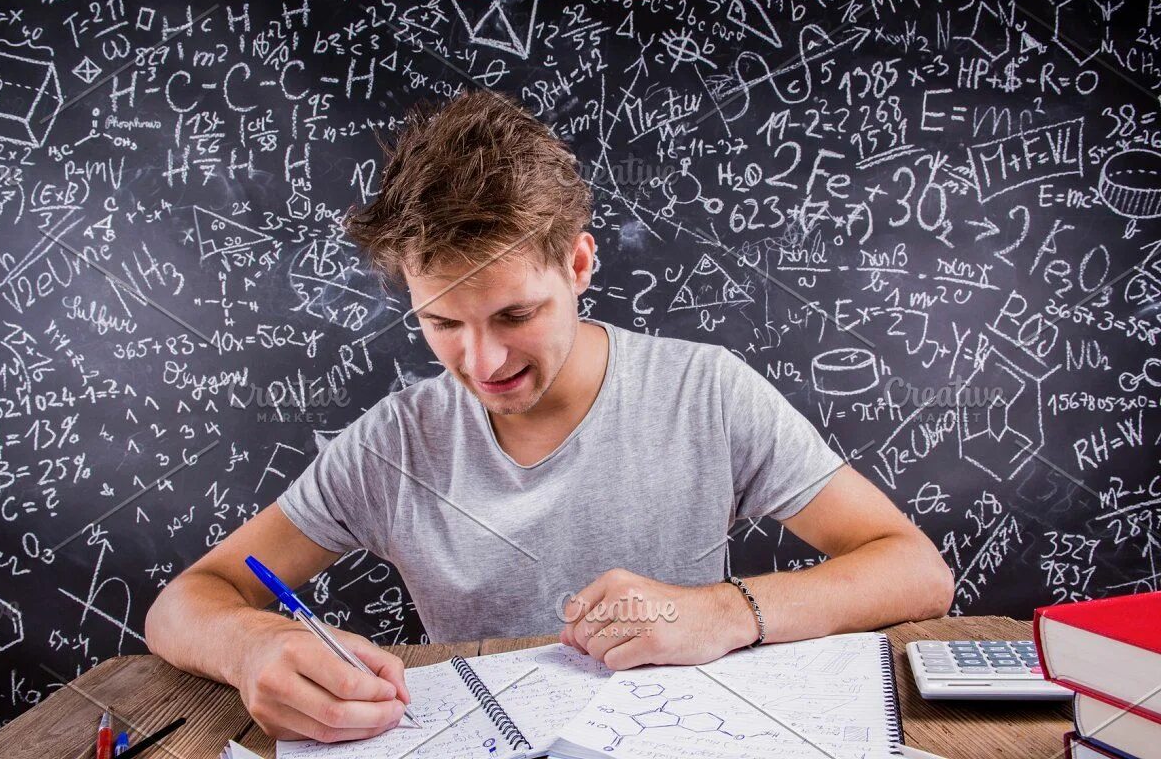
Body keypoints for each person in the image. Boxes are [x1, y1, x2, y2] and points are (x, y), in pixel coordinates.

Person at [144, 88, 954, 743]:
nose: (483, 364)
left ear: (577, 262)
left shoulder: (706, 391)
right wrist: (255, 646)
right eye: (442, 324)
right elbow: (188, 601)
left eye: (514, 315)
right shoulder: (394, 442)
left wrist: (724, 612)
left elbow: (915, 571)